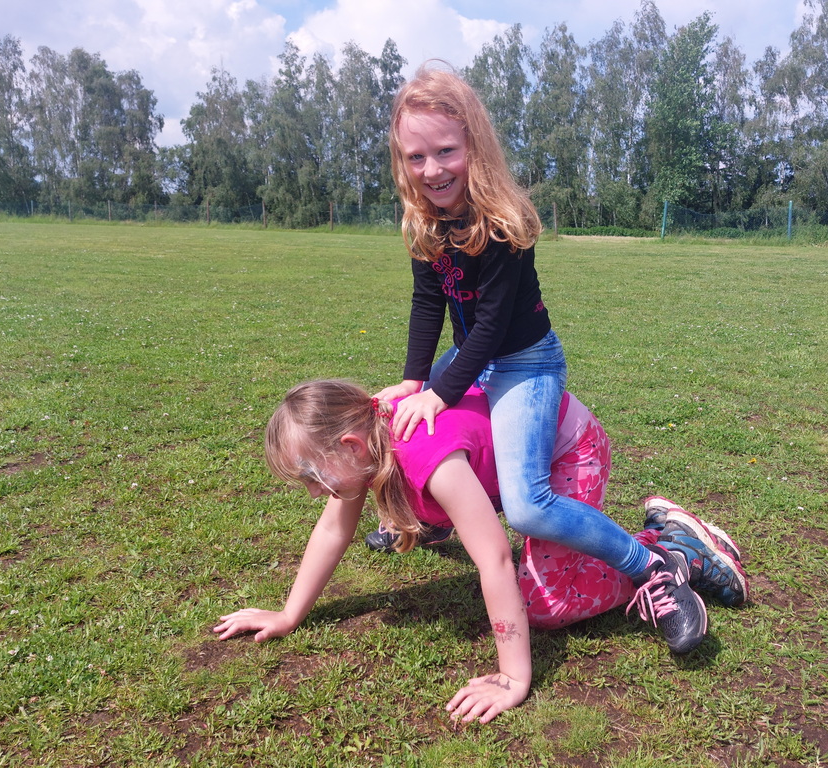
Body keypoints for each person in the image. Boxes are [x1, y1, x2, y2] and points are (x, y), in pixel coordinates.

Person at [373, 62, 704, 653]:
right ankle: (434, 519)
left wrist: (441, 392)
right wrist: (414, 381)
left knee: (526, 507)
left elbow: (494, 327)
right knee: (411, 422)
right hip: (473, 353)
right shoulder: (426, 219)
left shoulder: (501, 221)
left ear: (474, 144)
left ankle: (654, 564)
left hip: (524, 361)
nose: (433, 169)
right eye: (416, 157)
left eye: (446, 151)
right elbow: (428, 304)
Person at [214, 380, 748, 725]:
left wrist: (513, 677)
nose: (315, 493)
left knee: (547, 605)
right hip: (504, 465)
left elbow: (493, 558)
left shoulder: (425, 456)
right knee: (422, 511)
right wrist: (288, 614)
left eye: (312, 477)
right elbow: (333, 529)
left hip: (568, 452)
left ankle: (673, 548)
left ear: (351, 446)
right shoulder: (370, 438)